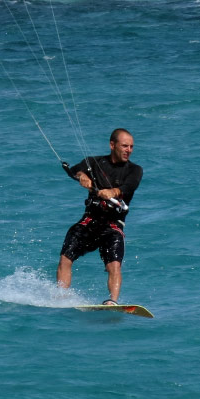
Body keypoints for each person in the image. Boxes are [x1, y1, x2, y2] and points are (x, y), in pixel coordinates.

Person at [57, 129, 143, 305]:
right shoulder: (94, 162)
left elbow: (128, 187)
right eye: (124, 146)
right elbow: (74, 171)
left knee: (114, 265)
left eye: (131, 147)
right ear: (112, 145)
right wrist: (82, 176)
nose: (129, 150)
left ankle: (112, 301)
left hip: (113, 224)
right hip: (90, 220)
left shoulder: (135, 170)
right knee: (65, 258)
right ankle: (61, 298)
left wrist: (112, 191)